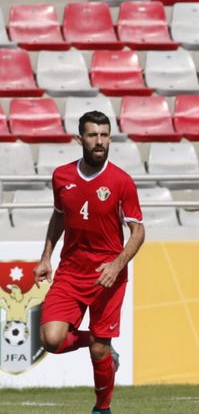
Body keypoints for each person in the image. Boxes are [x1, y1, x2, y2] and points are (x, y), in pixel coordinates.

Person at [33, 111, 145, 414]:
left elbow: (138, 231)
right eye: (93, 135)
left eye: (105, 135)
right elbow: (59, 216)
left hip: (107, 275)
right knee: (51, 340)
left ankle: (102, 408)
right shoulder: (62, 176)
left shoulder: (121, 181)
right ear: (79, 139)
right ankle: (103, 345)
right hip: (71, 272)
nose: (100, 141)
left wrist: (117, 264)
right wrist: (46, 257)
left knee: (99, 350)